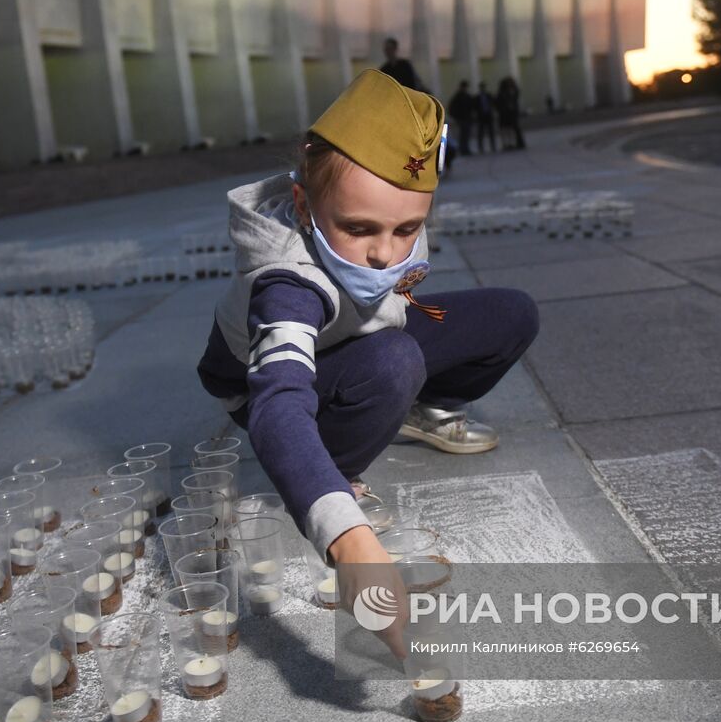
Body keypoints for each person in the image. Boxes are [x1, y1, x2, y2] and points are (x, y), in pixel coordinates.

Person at [195, 69, 539, 644]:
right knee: (394, 362)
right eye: (358, 229)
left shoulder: (383, 225)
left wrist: (393, 278)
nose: (384, 253)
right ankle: (340, 465)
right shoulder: (286, 283)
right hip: (269, 383)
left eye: (407, 228)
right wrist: (346, 537)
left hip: (358, 344)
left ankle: (409, 408)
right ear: (303, 206)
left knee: (513, 315)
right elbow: (277, 405)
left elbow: (389, 288)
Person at [448, 80, 477, 158]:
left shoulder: (465, 96)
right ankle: (463, 149)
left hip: (466, 118)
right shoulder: (459, 97)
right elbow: (453, 108)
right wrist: (456, 117)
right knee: (463, 135)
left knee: (466, 135)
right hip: (462, 119)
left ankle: (465, 149)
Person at [496, 76, 526, 151]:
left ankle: (515, 143)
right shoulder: (505, 92)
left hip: (511, 112)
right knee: (508, 129)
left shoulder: (512, 91)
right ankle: (509, 144)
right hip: (506, 113)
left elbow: (514, 99)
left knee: (513, 128)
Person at [474, 80, 497, 153]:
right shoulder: (477, 97)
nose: (483, 88)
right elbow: (475, 108)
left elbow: (493, 105)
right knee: (481, 133)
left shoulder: (489, 96)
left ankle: (493, 146)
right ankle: (481, 148)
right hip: (481, 117)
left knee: (491, 132)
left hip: (488, 116)